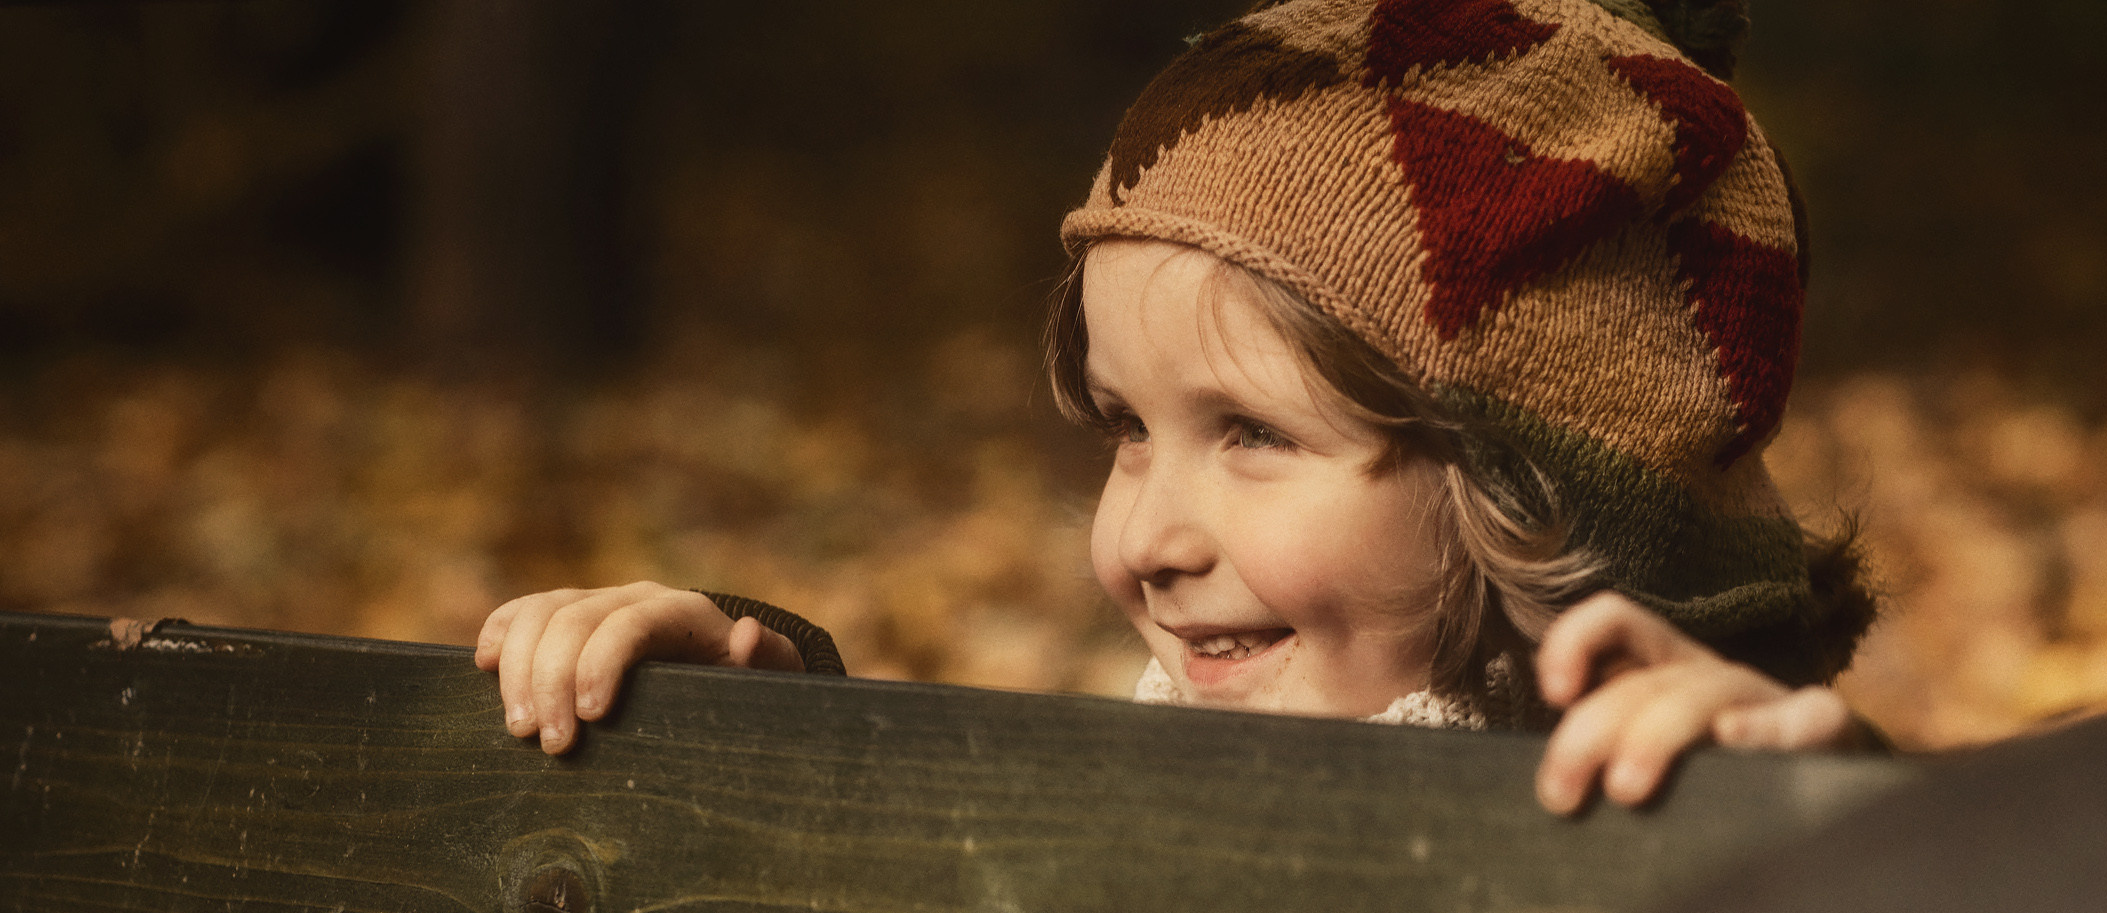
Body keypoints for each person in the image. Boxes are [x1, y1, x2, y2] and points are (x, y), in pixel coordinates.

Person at [475, 0, 1881, 814]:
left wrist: (1825, 839)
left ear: (1531, 495)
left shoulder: (1697, 815)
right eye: (1125, 430)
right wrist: (763, 762)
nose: (1146, 533)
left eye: (1253, 434)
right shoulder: (1146, 791)